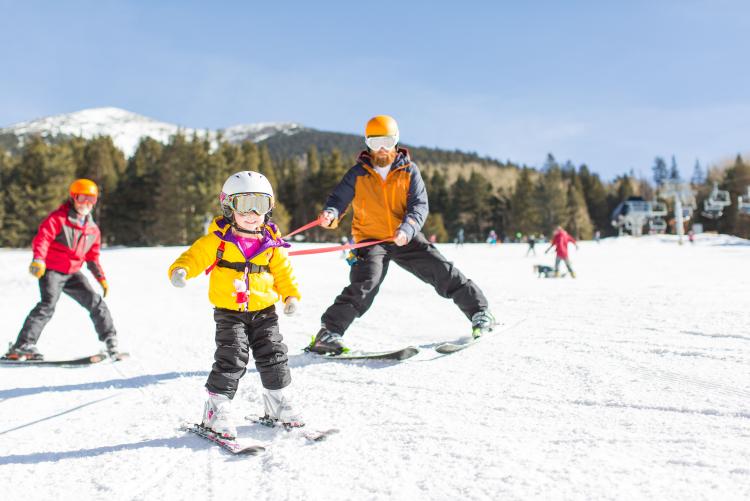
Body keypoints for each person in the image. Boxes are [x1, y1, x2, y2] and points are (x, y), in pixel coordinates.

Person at [308, 115, 495, 355]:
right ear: (367, 143)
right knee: (365, 284)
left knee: (441, 270)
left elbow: (419, 205)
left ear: (396, 141)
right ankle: (328, 334)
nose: (382, 149)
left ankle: (480, 312)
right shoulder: (358, 173)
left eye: (387, 141)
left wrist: (407, 229)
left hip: (404, 237)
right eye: (376, 143)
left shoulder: (409, 171)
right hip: (370, 241)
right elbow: (338, 200)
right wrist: (330, 214)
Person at [168, 171, 302, 439]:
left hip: (264, 311)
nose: (252, 213)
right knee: (233, 357)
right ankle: (216, 410)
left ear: (270, 208)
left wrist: (290, 296)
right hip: (230, 313)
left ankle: (278, 402)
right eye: (244, 205)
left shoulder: (271, 244)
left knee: (274, 354)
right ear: (229, 207)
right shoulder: (218, 240)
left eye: (260, 205)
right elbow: (195, 256)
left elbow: (284, 273)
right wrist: (181, 269)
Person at [4, 179, 119, 360]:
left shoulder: (92, 230)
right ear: (73, 198)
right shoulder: (58, 219)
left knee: (95, 302)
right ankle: (23, 345)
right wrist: (39, 260)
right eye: (82, 198)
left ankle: (110, 340)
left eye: (91, 199)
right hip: (51, 270)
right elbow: (43, 239)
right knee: (47, 305)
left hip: (73, 273)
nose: (86, 204)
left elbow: (92, 257)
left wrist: (101, 278)